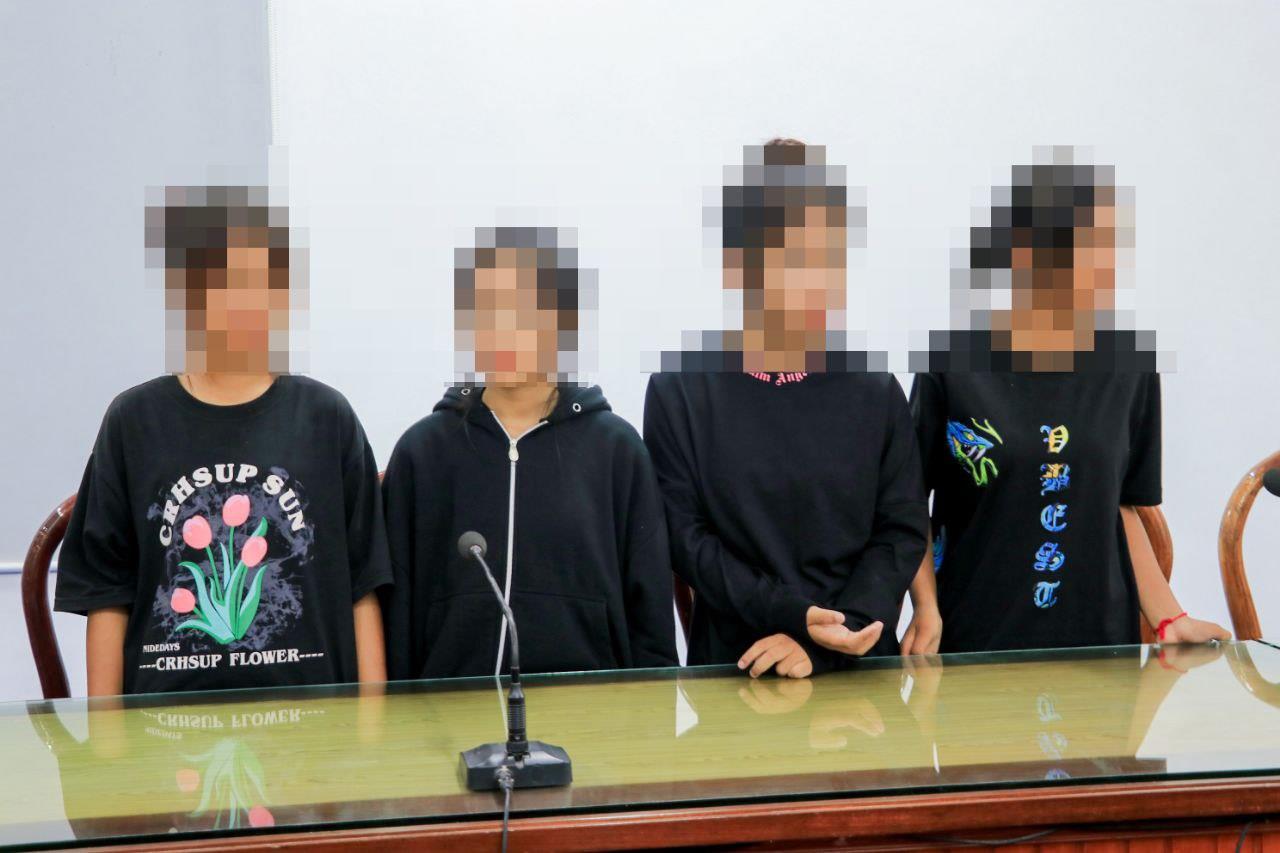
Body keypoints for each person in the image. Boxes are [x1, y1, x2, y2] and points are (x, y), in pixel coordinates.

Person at [55, 185, 391, 696]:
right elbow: (106, 594)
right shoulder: (133, 421)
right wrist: (108, 736)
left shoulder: (327, 418)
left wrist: (373, 725)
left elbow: (363, 586)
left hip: (316, 724)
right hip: (167, 726)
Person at [902, 150, 1230, 654]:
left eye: (1106, 247)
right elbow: (906, 505)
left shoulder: (1131, 369)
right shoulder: (951, 367)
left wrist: (1169, 619)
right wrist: (926, 610)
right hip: (976, 645)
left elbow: (1120, 508)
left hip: (1100, 648)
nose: (1103, 266)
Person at [644, 139, 929, 679]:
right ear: (738, 262)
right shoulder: (680, 391)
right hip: (738, 671)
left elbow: (901, 529)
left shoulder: (873, 389)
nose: (817, 278)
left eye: (829, 255)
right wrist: (794, 616)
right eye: (794, 256)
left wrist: (839, 630)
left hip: (858, 675)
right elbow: (687, 541)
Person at [382, 226, 677, 679]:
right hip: (450, 709)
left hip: (591, 706)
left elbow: (651, 617)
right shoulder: (422, 454)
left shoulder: (617, 452)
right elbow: (396, 619)